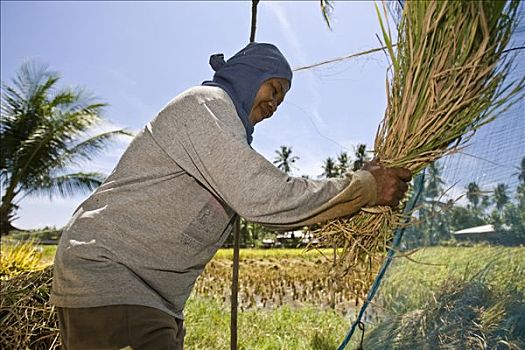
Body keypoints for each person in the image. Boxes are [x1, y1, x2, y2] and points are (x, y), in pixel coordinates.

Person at [51, 42, 411, 350]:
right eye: (273, 89)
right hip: (112, 277)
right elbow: (265, 196)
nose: (275, 104)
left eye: (282, 100)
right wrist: (365, 187)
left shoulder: (226, 133)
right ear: (248, 75)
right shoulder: (205, 104)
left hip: (153, 296)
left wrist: (358, 193)